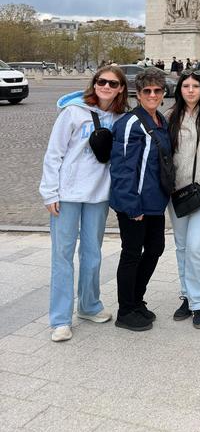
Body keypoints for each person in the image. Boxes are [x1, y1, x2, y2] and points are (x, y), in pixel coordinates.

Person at [39, 65, 128, 342]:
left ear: (121, 89)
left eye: (113, 83)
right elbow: (54, 153)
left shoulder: (120, 117)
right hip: (66, 195)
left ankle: (89, 305)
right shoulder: (72, 112)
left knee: (92, 255)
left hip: (98, 195)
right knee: (62, 257)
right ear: (94, 83)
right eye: (102, 81)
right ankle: (60, 319)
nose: (106, 87)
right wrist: (50, 192)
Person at [110, 67, 171, 331]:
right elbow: (122, 169)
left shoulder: (161, 120)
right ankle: (125, 310)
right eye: (147, 90)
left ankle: (136, 299)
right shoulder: (129, 124)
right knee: (132, 254)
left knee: (155, 248)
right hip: (134, 203)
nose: (152, 95)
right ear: (138, 93)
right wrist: (131, 205)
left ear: (164, 92)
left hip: (155, 201)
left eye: (157, 90)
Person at [167, 71, 200, 329]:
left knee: (197, 246)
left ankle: (198, 304)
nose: (190, 90)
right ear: (179, 89)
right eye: (185, 86)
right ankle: (187, 297)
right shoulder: (170, 116)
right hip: (178, 194)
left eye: (195, 86)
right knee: (182, 248)